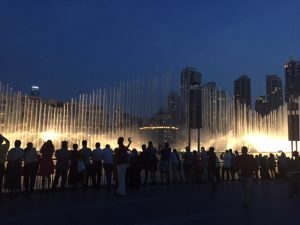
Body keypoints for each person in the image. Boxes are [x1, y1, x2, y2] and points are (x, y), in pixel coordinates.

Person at [0, 134, 10, 199]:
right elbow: (8, 142)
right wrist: (2, 136)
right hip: (1, 166)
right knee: (0, 181)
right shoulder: (4, 147)